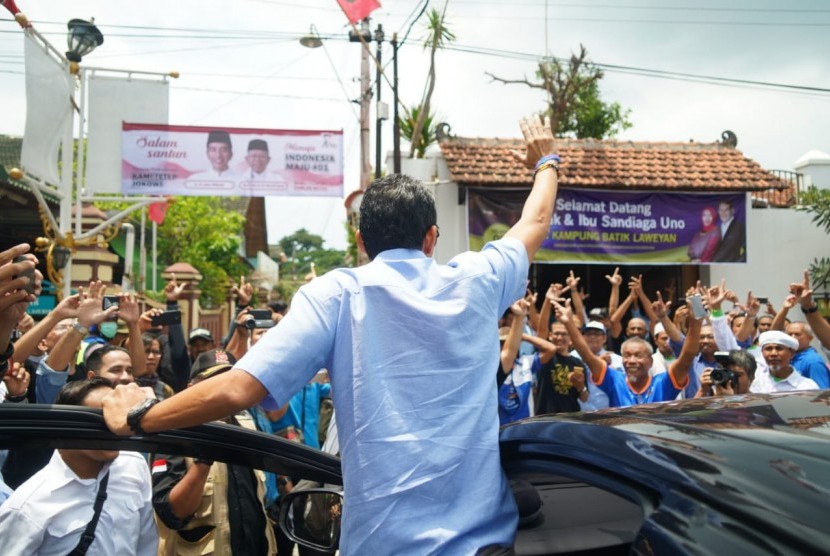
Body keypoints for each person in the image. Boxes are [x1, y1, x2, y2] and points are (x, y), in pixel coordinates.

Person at [102, 115, 561, 554]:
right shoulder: (478, 278)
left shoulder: (337, 293)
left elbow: (240, 386)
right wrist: (546, 161)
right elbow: (534, 223)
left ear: (361, 241)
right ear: (431, 238)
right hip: (487, 545)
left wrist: (141, 416)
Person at [0, 377, 158, 555]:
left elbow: (146, 543)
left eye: (117, 418)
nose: (114, 429)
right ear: (67, 426)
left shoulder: (133, 465)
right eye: (99, 421)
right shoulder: (28, 506)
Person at [151, 350, 276, 555]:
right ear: (192, 387)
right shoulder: (175, 433)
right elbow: (172, 513)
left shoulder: (247, 426)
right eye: (214, 381)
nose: (224, 389)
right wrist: (202, 461)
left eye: (230, 381)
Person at [750, 330, 819, 393]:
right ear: (762, 352)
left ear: (791, 353)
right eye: (768, 349)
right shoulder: (754, 381)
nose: (773, 353)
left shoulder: (807, 387)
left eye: (779, 348)